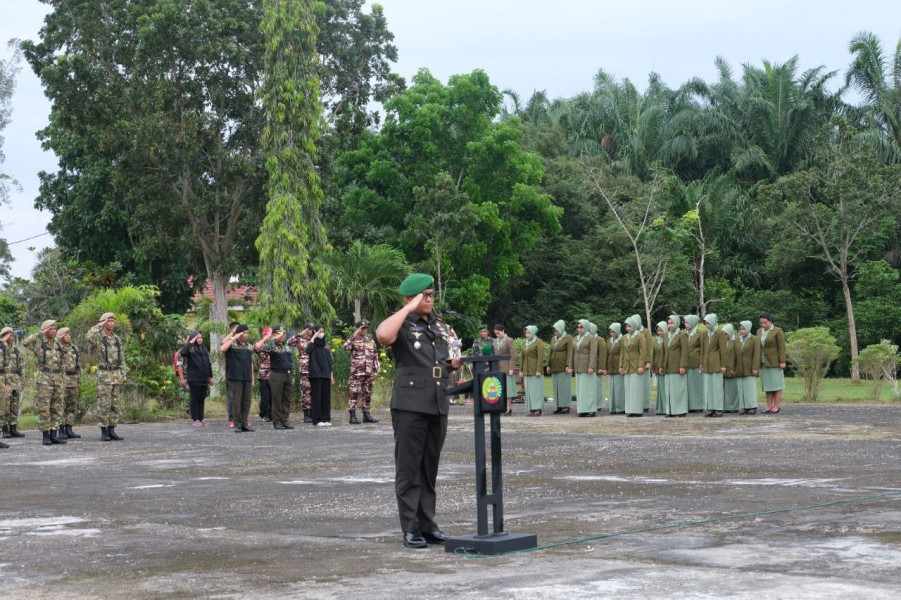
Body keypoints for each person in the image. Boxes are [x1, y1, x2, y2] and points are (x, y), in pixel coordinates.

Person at [376, 273, 461, 549]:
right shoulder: (401, 323)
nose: (428, 299)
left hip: (437, 402)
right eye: (423, 295)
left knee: (429, 469)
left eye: (431, 295)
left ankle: (427, 525)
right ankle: (410, 528)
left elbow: (444, 359)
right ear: (409, 298)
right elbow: (382, 336)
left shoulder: (440, 326)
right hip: (410, 405)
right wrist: (408, 308)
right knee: (409, 469)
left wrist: (453, 363)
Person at [22, 320, 67, 445]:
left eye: (54, 329)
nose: (53, 331)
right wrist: (40, 333)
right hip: (45, 380)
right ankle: (46, 436)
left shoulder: (58, 344)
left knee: (57, 408)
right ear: (45, 330)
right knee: (45, 408)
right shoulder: (39, 343)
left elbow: (62, 363)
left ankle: (54, 434)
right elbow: (25, 343)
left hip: (58, 379)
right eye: (50, 329)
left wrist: (63, 380)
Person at [87, 313, 127, 441]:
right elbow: (88, 336)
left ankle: (112, 429)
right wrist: (99, 325)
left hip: (116, 374)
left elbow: (122, 358)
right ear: (103, 322)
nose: (112, 323)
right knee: (104, 404)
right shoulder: (99, 337)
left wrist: (123, 374)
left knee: (115, 404)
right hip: (104, 375)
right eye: (109, 321)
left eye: (113, 321)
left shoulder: (116, 338)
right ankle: (104, 431)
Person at [256, 326, 297, 429]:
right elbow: (265, 349)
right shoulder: (271, 345)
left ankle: (285, 420)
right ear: (274, 334)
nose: (282, 335)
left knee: (286, 399)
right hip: (276, 374)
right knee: (277, 399)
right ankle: (277, 421)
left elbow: (291, 362)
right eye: (280, 333)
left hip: (287, 374)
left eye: (283, 333)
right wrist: (273, 338)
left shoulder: (286, 346)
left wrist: (293, 375)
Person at [343, 320, 381, 424]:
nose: (364, 330)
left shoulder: (371, 341)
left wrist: (376, 371)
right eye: (362, 328)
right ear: (357, 329)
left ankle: (367, 415)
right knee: (354, 393)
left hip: (368, 372)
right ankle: (352, 415)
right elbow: (345, 347)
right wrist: (354, 335)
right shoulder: (353, 340)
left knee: (367, 393)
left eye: (366, 328)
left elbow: (375, 357)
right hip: (356, 373)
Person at [220, 324, 255, 432]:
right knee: (236, 402)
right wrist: (234, 336)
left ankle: (244, 423)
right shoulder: (232, 343)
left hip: (247, 377)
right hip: (235, 377)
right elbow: (222, 348)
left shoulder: (249, 346)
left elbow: (251, 364)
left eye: (247, 332)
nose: (246, 335)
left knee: (246, 402)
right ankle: (237, 424)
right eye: (244, 332)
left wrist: (252, 378)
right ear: (239, 333)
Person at [179, 332, 213, 426]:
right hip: (194, 378)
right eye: (197, 338)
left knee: (202, 398)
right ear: (193, 338)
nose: (200, 339)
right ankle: (195, 419)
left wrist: (211, 376)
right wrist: (191, 341)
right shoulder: (190, 348)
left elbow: (208, 363)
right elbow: (183, 352)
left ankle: (201, 418)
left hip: (204, 378)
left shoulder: (204, 349)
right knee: (195, 398)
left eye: (201, 337)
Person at [56, 327, 82, 439]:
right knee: (61, 405)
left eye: (69, 334)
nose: (68, 336)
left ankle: (69, 429)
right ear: (60, 335)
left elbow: (78, 367)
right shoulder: (57, 347)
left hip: (73, 379)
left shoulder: (74, 348)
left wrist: (79, 381)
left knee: (71, 406)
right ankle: (61, 430)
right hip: (62, 379)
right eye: (65, 334)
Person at [758, 313, 787, 414]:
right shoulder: (759, 331)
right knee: (768, 386)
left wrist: (782, 361)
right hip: (763, 362)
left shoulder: (777, 331)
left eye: (765, 323)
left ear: (770, 321)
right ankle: (769, 406)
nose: (763, 325)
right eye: (761, 323)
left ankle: (776, 406)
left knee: (776, 385)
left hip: (775, 362)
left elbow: (782, 347)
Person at [1, 327, 26, 440]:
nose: (11, 337)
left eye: (12, 335)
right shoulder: (2, 348)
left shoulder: (16, 350)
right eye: (9, 335)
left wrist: (22, 381)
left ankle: (13, 428)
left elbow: (22, 367)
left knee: (14, 406)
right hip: (5, 381)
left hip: (15, 380)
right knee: (5, 406)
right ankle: (5, 429)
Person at [307, 325, 335, 427]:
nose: (321, 333)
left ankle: (326, 418)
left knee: (326, 398)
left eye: (323, 331)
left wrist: (331, 375)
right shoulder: (312, 345)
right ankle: (317, 419)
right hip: (316, 375)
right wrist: (313, 337)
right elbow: (307, 351)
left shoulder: (326, 347)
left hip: (326, 374)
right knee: (317, 397)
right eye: (319, 331)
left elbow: (329, 362)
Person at [661, 315, 688, 417]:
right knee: (669, 391)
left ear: (676, 323)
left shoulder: (682, 334)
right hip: (667, 367)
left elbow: (685, 351)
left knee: (678, 390)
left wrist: (682, 365)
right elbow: (662, 352)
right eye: (668, 323)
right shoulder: (666, 335)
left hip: (677, 367)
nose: (670, 325)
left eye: (672, 323)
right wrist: (661, 365)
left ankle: (680, 411)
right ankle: (671, 411)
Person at [620, 315, 647, 417]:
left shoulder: (640, 336)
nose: (628, 328)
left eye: (630, 326)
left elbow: (643, 352)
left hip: (636, 366)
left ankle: (637, 410)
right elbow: (622, 352)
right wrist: (621, 366)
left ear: (635, 326)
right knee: (628, 389)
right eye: (626, 326)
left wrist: (641, 365)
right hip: (627, 366)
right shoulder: (624, 337)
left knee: (636, 389)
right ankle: (630, 410)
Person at [701, 313, 727, 418]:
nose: (707, 325)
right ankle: (711, 408)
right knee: (709, 388)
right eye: (705, 323)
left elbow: (723, 350)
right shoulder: (705, 333)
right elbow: (703, 349)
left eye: (708, 323)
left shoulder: (720, 333)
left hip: (716, 364)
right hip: (707, 364)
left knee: (717, 387)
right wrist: (701, 363)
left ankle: (718, 409)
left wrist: (723, 365)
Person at [545, 320, 573, 414]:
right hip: (554, 365)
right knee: (556, 387)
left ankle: (565, 406)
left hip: (563, 365)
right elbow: (550, 352)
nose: (555, 332)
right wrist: (548, 365)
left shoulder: (568, 338)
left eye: (557, 330)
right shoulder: (553, 339)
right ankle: (559, 405)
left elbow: (570, 352)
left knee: (564, 386)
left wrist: (568, 365)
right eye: (554, 331)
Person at [572, 319, 597, 417]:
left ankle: (591, 409)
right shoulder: (575, 338)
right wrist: (570, 367)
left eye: (581, 327)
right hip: (578, 367)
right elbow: (573, 353)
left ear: (586, 327)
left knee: (589, 389)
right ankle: (582, 409)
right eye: (578, 327)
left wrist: (591, 366)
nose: (579, 329)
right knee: (581, 390)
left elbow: (593, 353)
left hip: (587, 367)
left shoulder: (591, 338)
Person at [736, 321, 761, 415]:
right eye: (740, 329)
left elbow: (756, 354)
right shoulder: (738, 339)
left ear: (748, 329)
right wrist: (733, 367)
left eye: (743, 329)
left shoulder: (754, 339)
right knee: (741, 388)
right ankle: (745, 407)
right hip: (739, 367)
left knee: (749, 388)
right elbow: (735, 355)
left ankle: (752, 406)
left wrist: (755, 368)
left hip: (750, 367)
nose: (741, 331)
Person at [291, 325, 314, 422]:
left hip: (315, 369)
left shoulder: (314, 339)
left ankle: (313, 412)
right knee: (305, 392)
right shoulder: (299, 339)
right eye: (310, 329)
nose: (312, 331)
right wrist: (301, 333)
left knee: (314, 392)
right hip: (304, 369)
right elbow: (289, 342)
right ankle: (306, 413)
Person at [520, 326, 545, 416]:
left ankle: (537, 408)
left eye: (529, 333)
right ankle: (531, 408)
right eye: (526, 333)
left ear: (533, 332)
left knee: (536, 390)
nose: (527, 335)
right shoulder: (524, 343)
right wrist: (521, 370)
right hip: (527, 370)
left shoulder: (538, 342)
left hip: (535, 370)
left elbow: (540, 357)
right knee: (529, 391)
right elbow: (522, 358)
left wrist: (538, 370)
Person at [684, 315, 706, 413]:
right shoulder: (684, 334)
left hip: (697, 362)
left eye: (688, 322)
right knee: (689, 385)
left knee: (698, 385)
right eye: (685, 322)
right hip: (687, 363)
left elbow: (703, 349)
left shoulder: (700, 333)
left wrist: (702, 362)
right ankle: (690, 405)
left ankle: (699, 405)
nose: (686, 324)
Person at [493, 325, 515, 415]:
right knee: (500, 388)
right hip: (498, 367)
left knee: (508, 389)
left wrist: (511, 368)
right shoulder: (494, 341)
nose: (497, 335)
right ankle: (501, 406)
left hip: (507, 367)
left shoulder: (509, 340)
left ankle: (508, 407)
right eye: (495, 333)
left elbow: (513, 355)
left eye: (498, 333)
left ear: (503, 331)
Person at [255, 327, 273, 422]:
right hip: (264, 375)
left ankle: (271, 414)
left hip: (274, 374)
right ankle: (264, 414)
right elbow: (255, 348)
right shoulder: (261, 344)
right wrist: (265, 339)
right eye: (267, 335)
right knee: (265, 397)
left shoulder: (274, 345)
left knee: (273, 397)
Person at [607, 323, 625, 414]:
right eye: (611, 332)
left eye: (614, 332)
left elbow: (623, 353)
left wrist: (621, 366)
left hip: (619, 367)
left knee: (619, 388)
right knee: (612, 389)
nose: (612, 334)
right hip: (611, 368)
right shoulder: (609, 341)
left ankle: (620, 408)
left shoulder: (622, 339)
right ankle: (613, 408)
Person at [722, 323, 740, 413]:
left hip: (732, 368)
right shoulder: (724, 341)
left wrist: (736, 368)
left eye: (726, 333)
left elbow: (738, 356)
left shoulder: (736, 341)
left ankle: (734, 407)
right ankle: (726, 406)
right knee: (726, 389)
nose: (724, 335)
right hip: (724, 368)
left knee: (733, 389)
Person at [653, 322, 667, 415]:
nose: (659, 332)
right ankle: (661, 408)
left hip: (665, 366)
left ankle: (666, 408)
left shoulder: (668, 339)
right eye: (658, 330)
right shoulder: (656, 340)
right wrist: (653, 366)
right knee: (660, 388)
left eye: (661, 330)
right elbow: (653, 354)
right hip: (657, 366)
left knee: (665, 388)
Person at [595, 323, 610, 413]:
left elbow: (603, 355)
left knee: (599, 385)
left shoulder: (600, 340)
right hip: (591, 366)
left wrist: (602, 367)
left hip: (598, 366)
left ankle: (599, 404)